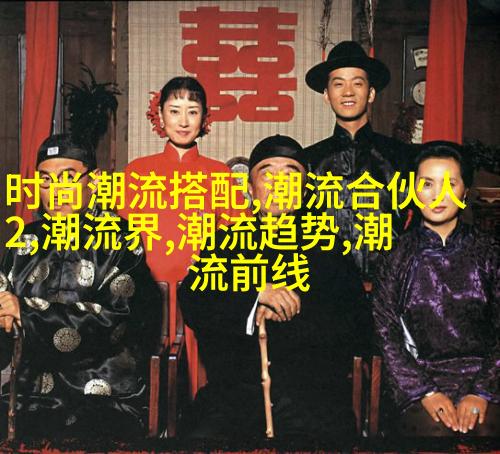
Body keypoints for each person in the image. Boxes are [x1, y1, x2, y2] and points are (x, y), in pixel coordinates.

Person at [178, 135, 372, 441]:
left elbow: (357, 322)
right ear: (250, 189)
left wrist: (293, 311)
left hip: (310, 397)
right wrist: (254, 297)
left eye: (290, 174)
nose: (279, 183)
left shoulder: (328, 245)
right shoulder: (224, 242)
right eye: (267, 173)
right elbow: (193, 300)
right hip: (236, 396)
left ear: (304, 190)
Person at [0, 134, 162, 438]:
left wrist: (26, 312)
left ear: (95, 180)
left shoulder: (121, 239)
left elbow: (113, 322)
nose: (56, 191)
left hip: (103, 395)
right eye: (45, 180)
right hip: (31, 394)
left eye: (68, 177)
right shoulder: (24, 242)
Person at [119, 76, 248, 397]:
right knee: (147, 388)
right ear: (160, 116)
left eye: (193, 111)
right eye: (175, 111)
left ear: (204, 118)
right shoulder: (137, 172)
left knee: (202, 387)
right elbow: (120, 241)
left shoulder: (220, 174)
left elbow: (241, 237)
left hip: (203, 295)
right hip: (149, 293)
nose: (184, 121)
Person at [372, 141, 499, 437]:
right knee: (435, 437)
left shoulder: (490, 252)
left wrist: (481, 391)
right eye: (427, 184)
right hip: (417, 382)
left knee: (484, 435)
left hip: (487, 379)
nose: (438, 195)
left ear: (465, 191)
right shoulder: (396, 256)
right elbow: (385, 334)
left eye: (449, 184)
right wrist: (425, 392)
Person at [304, 41, 415, 281]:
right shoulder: (309, 161)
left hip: (390, 287)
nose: (348, 92)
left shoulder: (402, 156)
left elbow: (419, 224)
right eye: (338, 84)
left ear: (371, 93)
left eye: (357, 83)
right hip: (326, 288)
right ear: (326, 95)